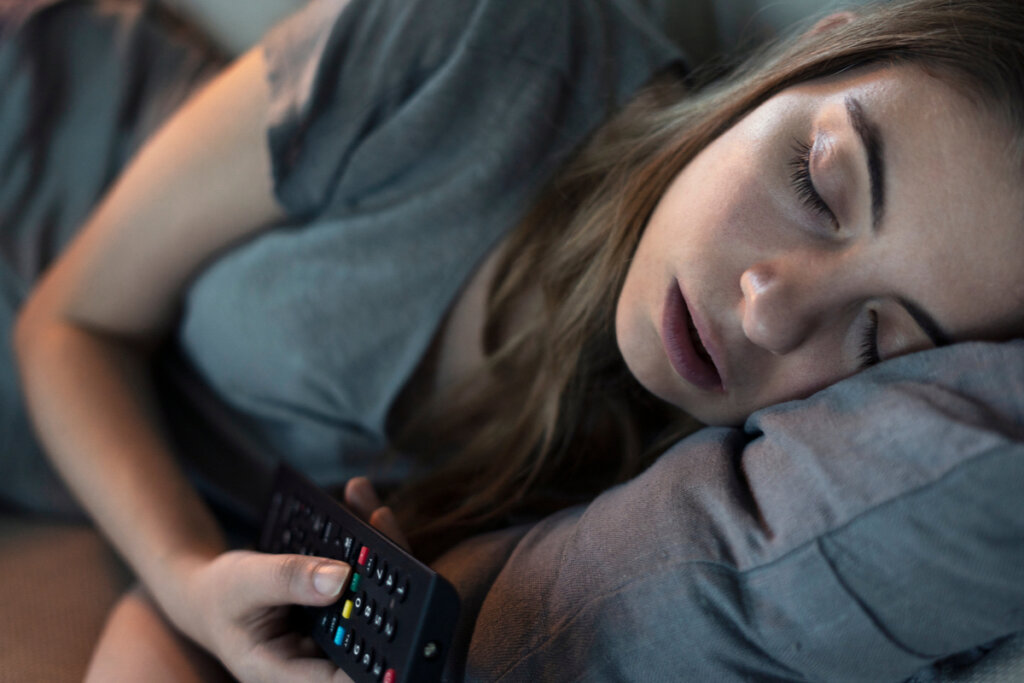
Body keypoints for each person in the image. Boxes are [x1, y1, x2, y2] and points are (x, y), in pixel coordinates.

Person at [3, 0, 1023, 680]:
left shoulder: (643, 491)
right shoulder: (491, 37)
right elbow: (68, 318)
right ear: (803, 62)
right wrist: (184, 574)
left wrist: (191, 593)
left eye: (877, 340)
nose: (768, 307)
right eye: (814, 182)